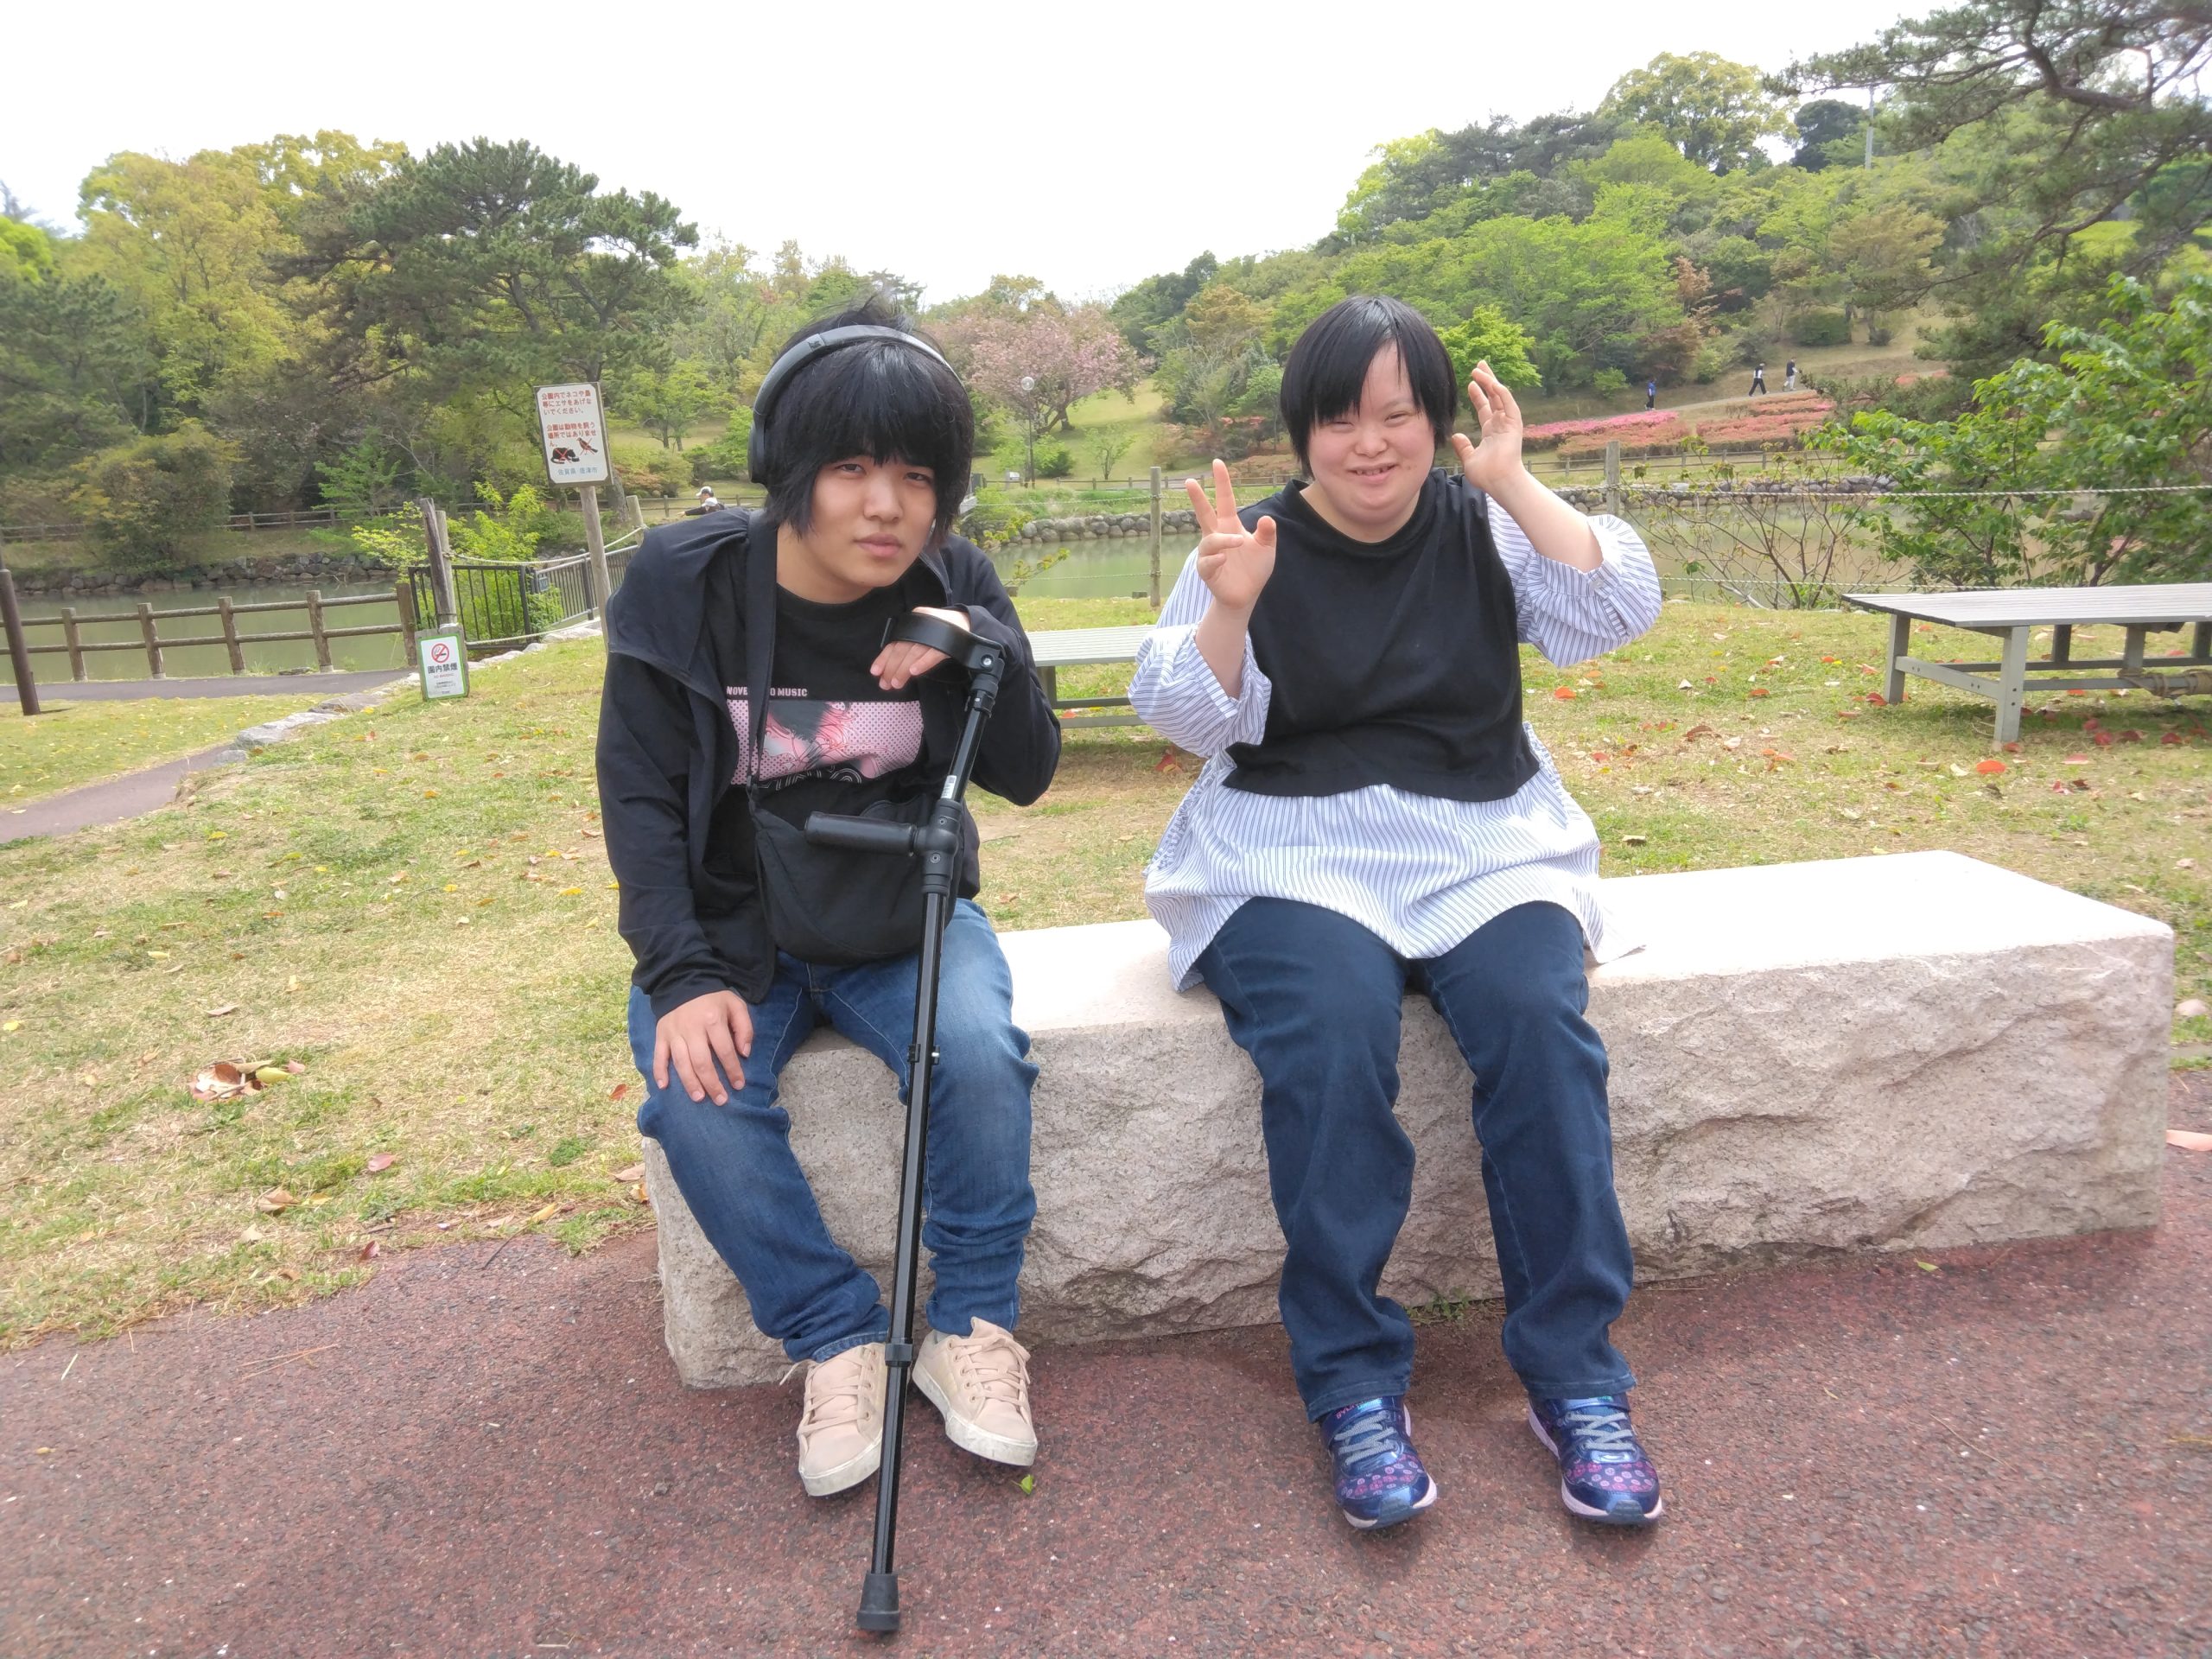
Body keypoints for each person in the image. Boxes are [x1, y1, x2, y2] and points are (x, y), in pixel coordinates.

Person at [1129, 294, 1665, 1533]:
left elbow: (1613, 614)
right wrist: (1231, 606)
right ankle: (1353, 1382)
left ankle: (1577, 1375)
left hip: (1482, 839)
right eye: (1339, 421)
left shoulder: (1483, 523)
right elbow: (1184, 717)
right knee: (1329, 1035)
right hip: (1292, 852)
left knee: (1541, 1025)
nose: (1369, 445)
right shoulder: (1251, 542)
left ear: (1436, 421)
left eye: (1397, 416)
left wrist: (1512, 482)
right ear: (1301, 432)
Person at [596, 297, 1062, 1499]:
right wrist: (680, 975)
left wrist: (976, 645)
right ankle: (835, 1337)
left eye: (918, 475)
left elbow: (1027, 773)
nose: (886, 505)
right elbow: (639, 795)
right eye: (851, 468)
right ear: (787, 466)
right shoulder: (688, 582)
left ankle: (972, 1327)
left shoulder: (953, 579)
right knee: (696, 1099)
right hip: (731, 929)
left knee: (979, 1054)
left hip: (902, 919)